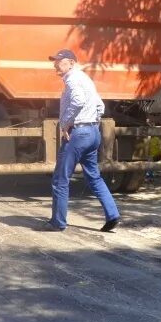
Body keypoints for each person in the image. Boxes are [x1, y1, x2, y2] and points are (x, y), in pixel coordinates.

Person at [46, 49, 121, 232]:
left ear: (71, 63)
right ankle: (112, 214)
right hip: (92, 132)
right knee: (94, 176)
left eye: (59, 61)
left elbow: (78, 101)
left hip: (77, 134)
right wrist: (91, 122)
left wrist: (65, 124)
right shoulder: (86, 79)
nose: (56, 64)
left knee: (60, 179)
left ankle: (58, 222)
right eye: (55, 61)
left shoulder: (72, 79)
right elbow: (99, 105)